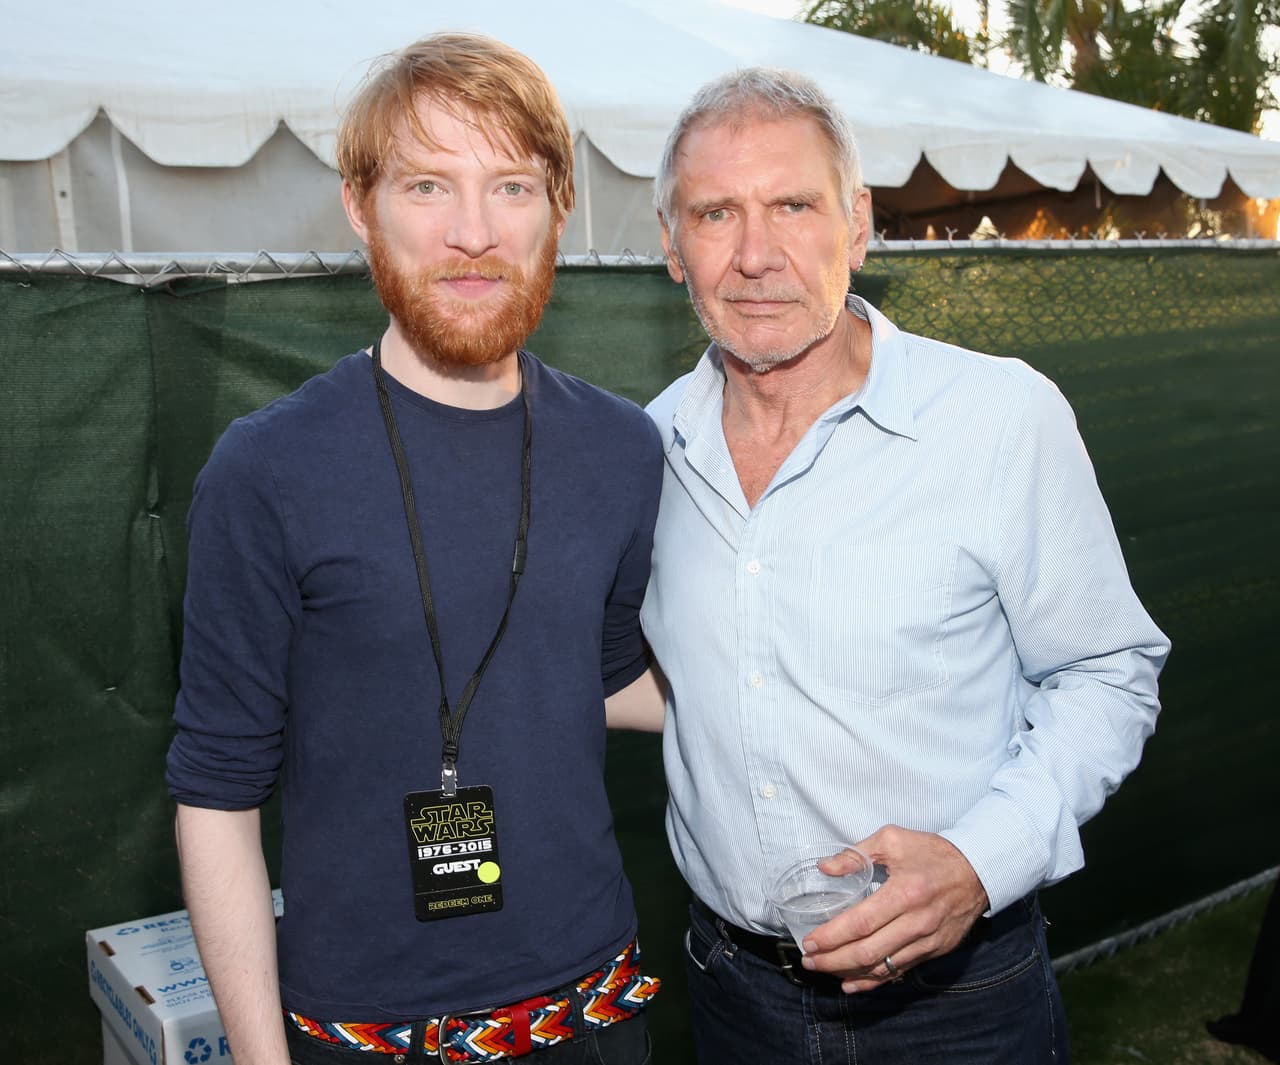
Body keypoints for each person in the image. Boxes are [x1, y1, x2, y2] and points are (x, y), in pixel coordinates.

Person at [637, 68, 1171, 1064]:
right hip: (730, 992)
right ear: (671, 245)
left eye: (793, 206)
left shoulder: (997, 419)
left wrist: (978, 861)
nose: (755, 254)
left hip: (958, 1005)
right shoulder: (647, 447)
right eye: (715, 213)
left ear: (858, 225)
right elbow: (684, 681)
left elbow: (1106, 672)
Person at [165, 33, 664, 1065]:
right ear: (360, 205)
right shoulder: (267, 469)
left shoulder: (623, 448)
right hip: (363, 1032)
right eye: (428, 185)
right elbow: (216, 795)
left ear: (559, 206)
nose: (473, 232)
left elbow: (607, 676)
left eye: (511, 187)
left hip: (594, 1015)